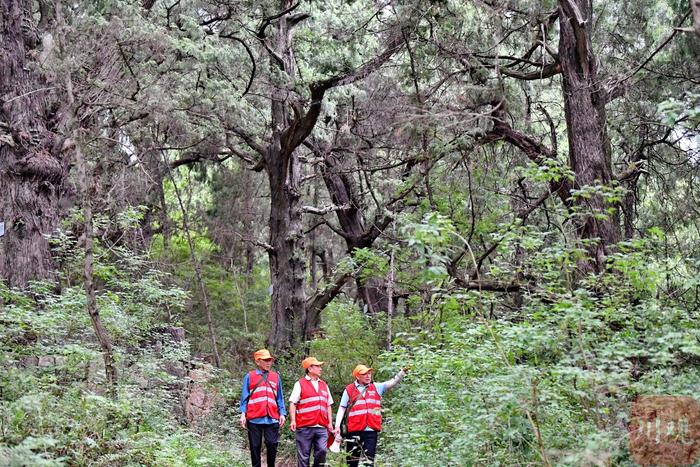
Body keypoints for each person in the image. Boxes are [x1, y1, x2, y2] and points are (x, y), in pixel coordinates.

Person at [334, 364, 409, 467]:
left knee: (369, 462)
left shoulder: (377, 387)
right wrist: (337, 426)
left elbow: (393, 382)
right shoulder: (349, 389)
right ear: (357, 376)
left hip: (371, 430)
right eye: (364, 374)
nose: (368, 376)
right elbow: (342, 408)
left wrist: (402, 372)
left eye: (369, 373)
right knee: (352, 462)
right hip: (354, 430)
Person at [239, 349, 286, 467]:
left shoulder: (276, 377)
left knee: (272, 444)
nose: (268, 362)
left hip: (272, 418)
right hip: (254, 418)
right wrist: (243, 414)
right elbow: (244, 397)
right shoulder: (249, 376)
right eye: (265, 360)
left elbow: (280, 397)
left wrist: (282, 413)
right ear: (258, 361)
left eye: (269, 360)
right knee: (255, 447)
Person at [288, 357, 336, 467]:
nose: (320, 369)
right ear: (310, 368)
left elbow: (328, 405)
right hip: (304, 426)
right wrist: (293, 421)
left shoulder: (324, 385)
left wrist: (330, 423)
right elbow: (292, 403)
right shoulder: (300, 384)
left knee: (322, 451)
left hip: (322, 426)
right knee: (304, 457)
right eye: (317, 366)